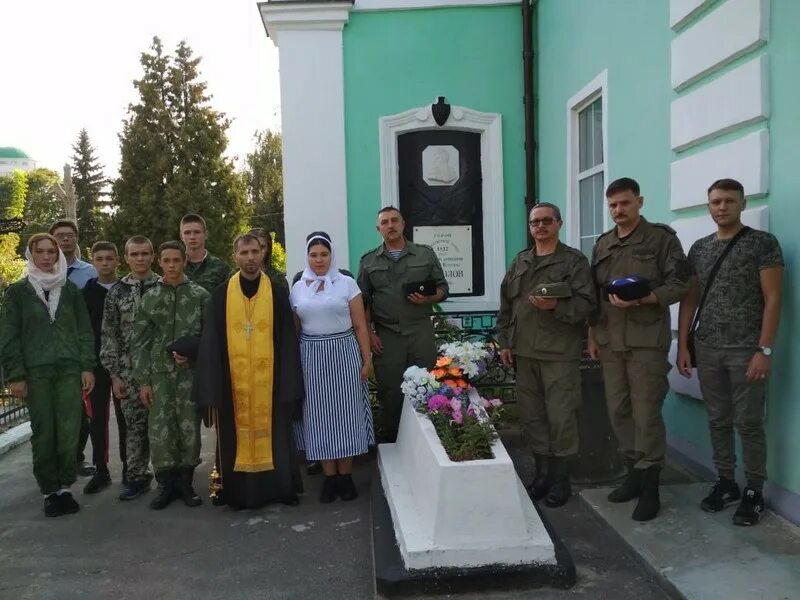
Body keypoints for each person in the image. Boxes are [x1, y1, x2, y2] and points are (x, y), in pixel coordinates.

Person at [677, 178, 783, 526]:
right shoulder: (700, 248)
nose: (721, 207)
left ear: (742, 204)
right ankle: (725, 481)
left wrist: (764, 349)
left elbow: (773, 300)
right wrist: (682, 345)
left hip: (745, 348)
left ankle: (754, 489)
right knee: (717, 419)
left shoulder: (762, 244)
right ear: (709, 206)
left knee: (749, 423)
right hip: (707, 347)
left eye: (728, 201)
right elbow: (690, 298)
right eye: (716, 202)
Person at [587, 177, 691, 522]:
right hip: (610, 341)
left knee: (647, 413)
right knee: (619, 410)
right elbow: (596, 295)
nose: (618, 210)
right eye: (613, 205)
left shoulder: (661, 239)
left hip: (646, 342)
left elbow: (682, 283)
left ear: (639, 202)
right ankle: (633, 473)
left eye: (625, 203)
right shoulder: (602, 245)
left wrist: (649, 298)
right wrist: (591, 335)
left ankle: (651, 486)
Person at [193, 233, 304, 509]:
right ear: (235, 257)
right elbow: (211, 341)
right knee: (234, 437)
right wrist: (213, 385)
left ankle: (279, 489)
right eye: (244, 253)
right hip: (234, 385)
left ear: (263, 253)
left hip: (272, 383)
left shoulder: (277, 293)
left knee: (276, 435)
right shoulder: (220, 295)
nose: (250, 258)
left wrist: (289, 381)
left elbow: (288, 338)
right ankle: (237, 493)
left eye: (255, 252)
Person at [497, 203, 595, 508]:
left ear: (558, 224)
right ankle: (542, 474)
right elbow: (506, 305)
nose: (540, 226)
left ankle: (561, 477)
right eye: (534, 222)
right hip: (524, 353)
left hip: (558, 354)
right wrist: (504, 342)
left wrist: (556, 307)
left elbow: (588, 305)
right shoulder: (520, 261)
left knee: (561, 416)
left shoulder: (573, 262)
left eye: (546, 221)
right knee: (533, 415)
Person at [0, 233, 95, 517]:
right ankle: (49, 490)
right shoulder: (17, 293)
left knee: (69, 431)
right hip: (36, 372)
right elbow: (9, 336)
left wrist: (86, 366)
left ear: (58, 255)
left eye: (51, 252)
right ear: (30, 255)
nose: (46, 257)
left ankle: (65, 487)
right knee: (44, 432)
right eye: (39, 251)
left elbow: (83, 331)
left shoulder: (69, 290)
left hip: (68, 370)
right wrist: (16, 374)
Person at [291, 232, 374, 503]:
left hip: (343, 352)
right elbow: (295, 328)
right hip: (310, 356)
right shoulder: (298, 287)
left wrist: (367, 359)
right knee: (319, 416)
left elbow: (361, 325)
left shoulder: (347, 284)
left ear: (331, 256)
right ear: (307, 257)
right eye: (313, 255)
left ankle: (346, 476)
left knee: (345, 414)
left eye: (323, 254)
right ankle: (329, 478)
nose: (318, 260)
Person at [357, 206, 449, 442]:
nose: (390, 225)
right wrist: (370, 333)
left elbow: (443, 289)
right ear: (378, 229)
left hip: (420, 330)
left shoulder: (424, 254)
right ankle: (394, 441)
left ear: (403, 223)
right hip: (386, 336)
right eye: (385, 222)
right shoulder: (369, 261)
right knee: (390, 390)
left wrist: (429, 298)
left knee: (426, 384)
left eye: (394, 220)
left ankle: (428, 441)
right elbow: (362, 302)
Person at [131, 241, 210, 510]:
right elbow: (139, 342)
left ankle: (186, 484)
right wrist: (143, 381)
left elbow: (210, 337)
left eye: (177, 260)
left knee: (189, 430)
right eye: (167, 260)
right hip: (160, 376)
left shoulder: (200, 295)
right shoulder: (150, 298)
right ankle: (166, 486)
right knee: (160, 433)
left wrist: (193, 353)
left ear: (185, 262)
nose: (172, 265)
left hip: (189, 376)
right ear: (160, 263)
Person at [100, 235, 160, 501]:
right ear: (126, 258)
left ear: (152, 256)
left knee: (163, 426)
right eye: (134, 254)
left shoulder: (164, 287)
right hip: (128, 371)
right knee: (134, 428)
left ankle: (170, 477)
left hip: (161, 370)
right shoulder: (117, 292)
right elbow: (109, 335)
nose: (140, 259)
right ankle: (137, 477)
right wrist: (114, 374)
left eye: (144, 254)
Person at [49, 219, 97, 476]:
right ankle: (54, 460)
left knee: (81, 411)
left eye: (69, 235)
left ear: (76, 239)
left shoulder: (90, 272)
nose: (65, 240)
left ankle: (77, 457)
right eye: (60, 236)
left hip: (79, 347)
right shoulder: (38, 271)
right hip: (49, 351)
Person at [81, 241, 126, 494]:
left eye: (110, 258)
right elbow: (82, 332)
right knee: (98, 419)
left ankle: (132, 467)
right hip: (96, 364)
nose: (105, 263)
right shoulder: (85, 294)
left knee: (127, 418)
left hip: (124, 363)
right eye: (100, 259)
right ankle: (101, 470)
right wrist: (85, 365)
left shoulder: (128, 289)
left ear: (117, 260)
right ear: (93, 261)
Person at [180, 213, 232, 292]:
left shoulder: (220, 268)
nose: (192, 237)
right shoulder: (175, 266)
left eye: (197, 232)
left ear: (206, 234)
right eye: (187, 233)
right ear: (181, 236)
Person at [248, 227, 289, 294]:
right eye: (253, 247)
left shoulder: (278, 279)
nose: (258, 251)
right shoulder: (234, 277)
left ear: (268, 249)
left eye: (262, 247)